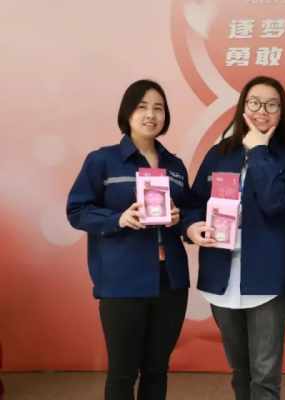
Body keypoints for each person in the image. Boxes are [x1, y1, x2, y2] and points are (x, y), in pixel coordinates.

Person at [184, 76, 285, 400]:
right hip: (221, 272)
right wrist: (191, 227)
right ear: (242, 107)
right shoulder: (219, 153)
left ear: (282, 112)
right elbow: (194, 203)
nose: (261, 111)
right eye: (254, 102)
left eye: (271, 104)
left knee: (265, 375)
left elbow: (275, 202)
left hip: (267, 275)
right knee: (240, 368)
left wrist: (259, 152)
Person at [66, 79, 191, 400]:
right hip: (122, 280)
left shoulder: (175, 166)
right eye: (142, 107)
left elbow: (189, 212)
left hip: (171, 281)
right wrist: (118, 219)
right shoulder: (103, 160)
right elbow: (77, 210)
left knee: (157, 369)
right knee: (122, 373)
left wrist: (180, 219)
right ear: (127, 113)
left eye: (158, 108)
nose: (151, 115)